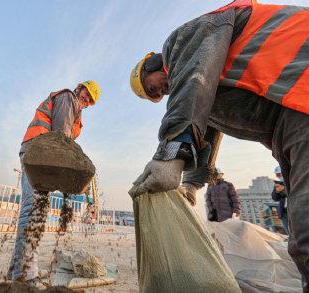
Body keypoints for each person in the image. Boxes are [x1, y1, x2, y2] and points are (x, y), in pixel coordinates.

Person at [128, 0, 308, 290]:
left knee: (307, 233)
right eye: (155, 97)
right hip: (289, 116)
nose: (161, 92)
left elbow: (193, 80)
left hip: (301, 91)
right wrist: (192, 184)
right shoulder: (207, 87)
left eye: (154, 87)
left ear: (153, 63)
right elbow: (208, 130)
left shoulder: (181, 42)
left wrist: (169, 155)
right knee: (301, 236)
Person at [8, 80, 101, 288]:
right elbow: (61, 136)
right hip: (37, 154)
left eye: (90, 101)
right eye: (86, 95)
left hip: (42, 157)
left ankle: (17, 268)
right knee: (33, 211)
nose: (86, 100)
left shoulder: (77, 110)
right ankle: (25, 275)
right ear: (80, 88)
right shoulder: (68, 98)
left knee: (36, 209)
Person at [271, 166, 289, 234]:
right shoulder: (278, 184)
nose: (278, 176)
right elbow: (274, 198)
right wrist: (277, 191)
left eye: (279, 174)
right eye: (277, 175)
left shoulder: (291, 181)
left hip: (293, 210)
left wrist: (283, 190)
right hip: (284, 212)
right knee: (288, 230)